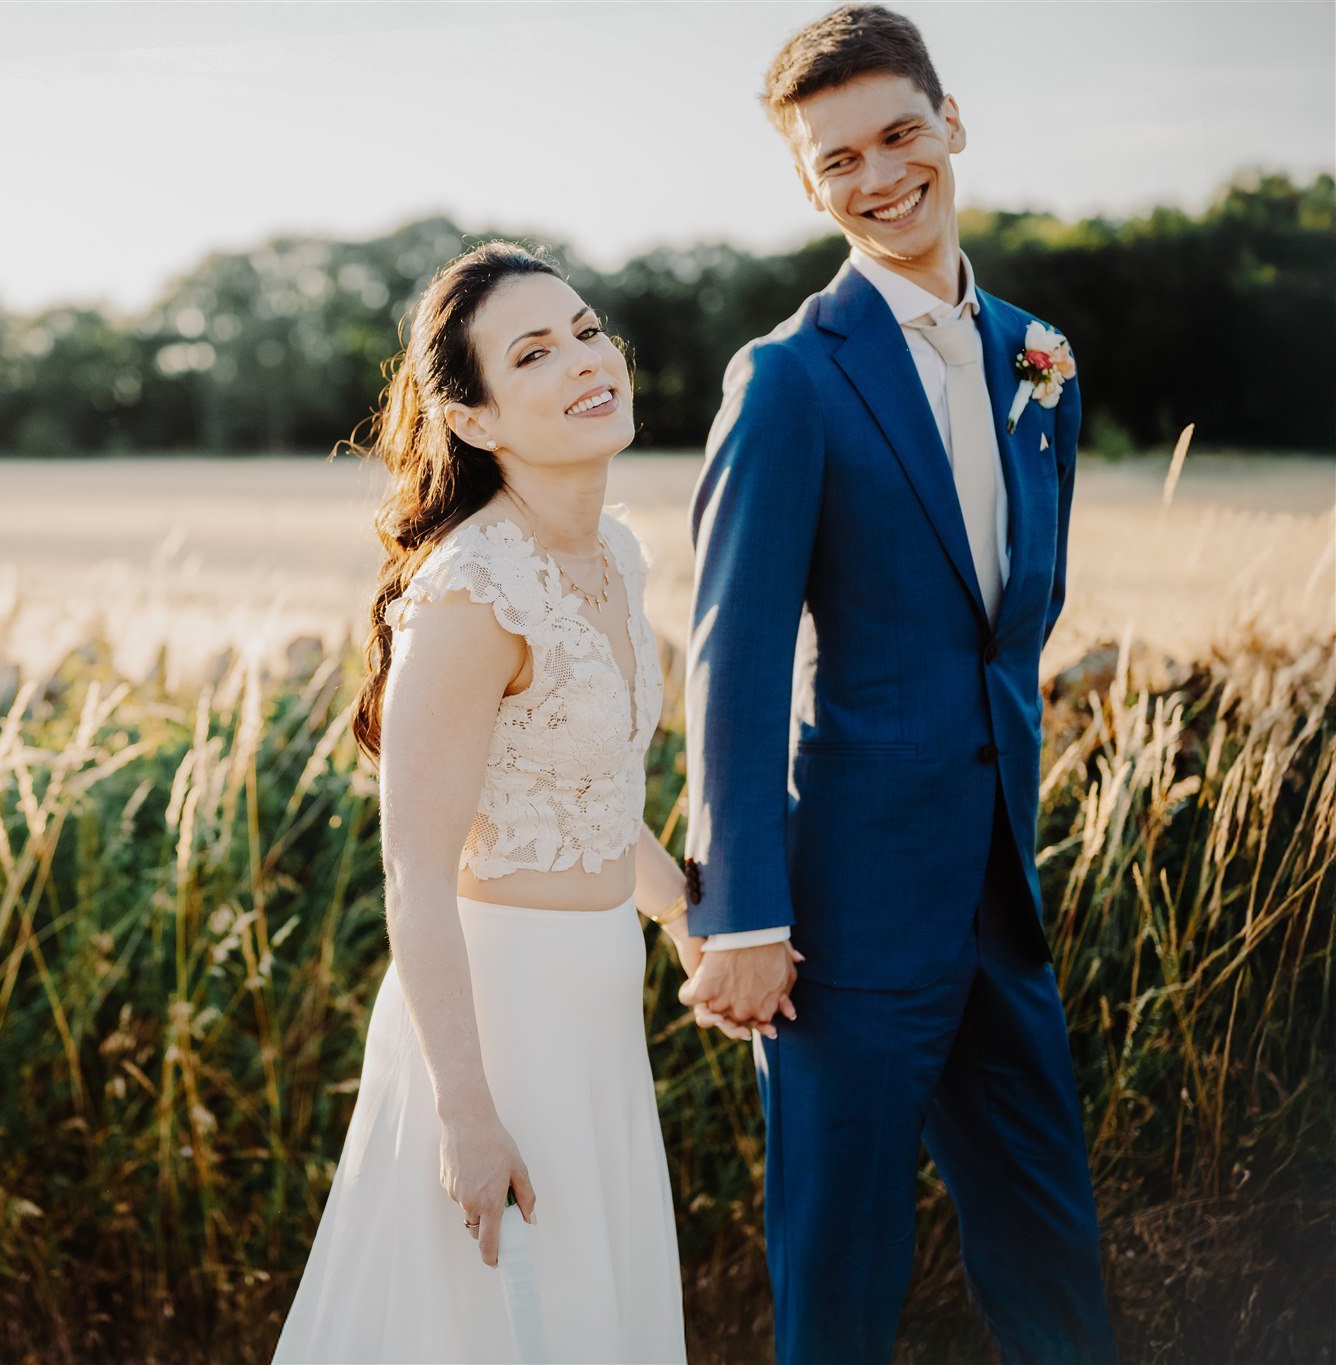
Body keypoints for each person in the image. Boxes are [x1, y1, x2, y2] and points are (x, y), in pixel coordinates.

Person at [677, 6, 1118, 1364]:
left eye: (898, 136)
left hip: (1000, 901)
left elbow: (1006, 631)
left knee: (1057, 1267)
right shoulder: (790, 380)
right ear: (808, 186)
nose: (876, 177)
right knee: (843, 1294)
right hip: (843, 926)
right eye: (837, 161)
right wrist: (739, 908)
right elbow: (733, 656)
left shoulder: (1042, 359)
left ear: (951, 126)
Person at [272, 242, 742, 1363]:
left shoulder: (613, 555)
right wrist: (465, 1114)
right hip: (492, 1013)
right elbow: (414, 874)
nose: (587, 361)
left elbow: (578, 796)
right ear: (475, 420)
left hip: (593, 1000)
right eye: (533, 352)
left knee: (591, 1311)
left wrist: (683, 915)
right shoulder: (469, 590)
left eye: (585, 330)